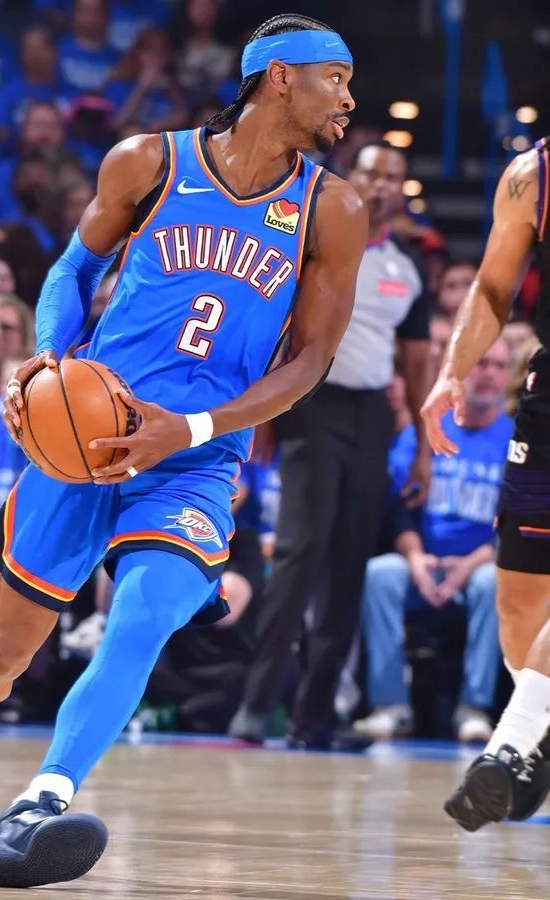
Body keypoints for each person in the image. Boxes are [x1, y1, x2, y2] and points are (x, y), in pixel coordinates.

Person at [0, 13, 366, 888]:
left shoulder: (333, 208)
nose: (347, 98)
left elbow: (308, 364)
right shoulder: (149, 161)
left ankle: (40, 803)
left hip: (196, 459)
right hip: (88, 438)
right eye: (334, 78)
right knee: (0, 654)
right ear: (279, 77)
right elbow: (71, 270)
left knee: (143, 616)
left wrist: (188, 431)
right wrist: (47, 355)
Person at [228, 140, 432, 750]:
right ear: (352, 177)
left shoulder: (407, 267)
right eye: (373, 173)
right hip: (310, 406)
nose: (383, 184)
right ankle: (255, 707)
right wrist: (263, 415)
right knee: (300, 551)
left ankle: (315, 717)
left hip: (371, 415)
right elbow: (275, 326)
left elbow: (415, 364)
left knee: (349, 561)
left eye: (394, 176)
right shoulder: (312, 240)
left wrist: (423, 446)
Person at [421, 135, 550, 831]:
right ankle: (537, 739)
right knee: (519, 609)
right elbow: (494, 288)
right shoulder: (534, 173)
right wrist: (452, 372)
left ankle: (508, 745)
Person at [355, 338, 513, 741]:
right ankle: (391, 705)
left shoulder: (514, 441)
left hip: (479, 565)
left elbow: (518, 524)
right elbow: (400, 508)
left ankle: (473, 708)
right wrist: (414, 557)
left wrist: (472, 563)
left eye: (499, 366)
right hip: (422, 564)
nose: (490, 374)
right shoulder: (427, 431)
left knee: (493, 583)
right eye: (481, 364)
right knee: (380, 573)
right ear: (460, 371)